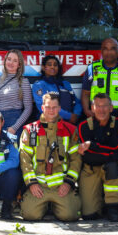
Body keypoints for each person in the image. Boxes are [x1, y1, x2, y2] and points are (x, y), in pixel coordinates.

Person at [19, 92, 82, 222]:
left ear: (59, 109)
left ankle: (55, 205)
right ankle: (45, 205)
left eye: (54, 107)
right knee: (30, 215)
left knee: (69, 216)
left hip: (61, 186)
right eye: (48, 107)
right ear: (42, 108)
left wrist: (69, 183)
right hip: (39, 185)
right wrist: (32, 183)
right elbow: (25, 159)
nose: (51, 111)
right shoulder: (31, 130)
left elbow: (76, 159)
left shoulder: (70, 130)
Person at [77, 93, 118, 221]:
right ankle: (100, 205)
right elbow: (89, 157)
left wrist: (92, 145)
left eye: (105, 106)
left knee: (112, 166)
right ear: (92, 108)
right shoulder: (83, 126)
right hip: (90, 169)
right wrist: (115, 156)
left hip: (110, 167)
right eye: (98, 106)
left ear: (111, 108)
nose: (101, 109)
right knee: (89, 215)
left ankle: (113, 207)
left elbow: (116, 147)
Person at [81, 37, 118, 133]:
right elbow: (85, 93)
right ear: (101, 51)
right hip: (97, 115)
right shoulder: (92, 68)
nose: (109, 52)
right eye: (105, 49)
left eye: (112, 49)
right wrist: (87, 111)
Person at [0, 49, 33, 137]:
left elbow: (28, 108)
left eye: (15, 61)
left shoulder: (24, 81)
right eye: (9, 59)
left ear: (19, 65)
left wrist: (15, 127)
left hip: (13, 122)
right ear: (5, 60)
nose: (11, 62)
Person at [31, 55, 82, 125]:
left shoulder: (65, 84)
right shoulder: (39, 85)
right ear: (43, 67)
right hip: (48, 124)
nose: (53, 67)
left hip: (68, 124)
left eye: (55, 65)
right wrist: (69, 116)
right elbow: (41, 107)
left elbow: (77, 102)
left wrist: (76, 114)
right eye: (49, 65)